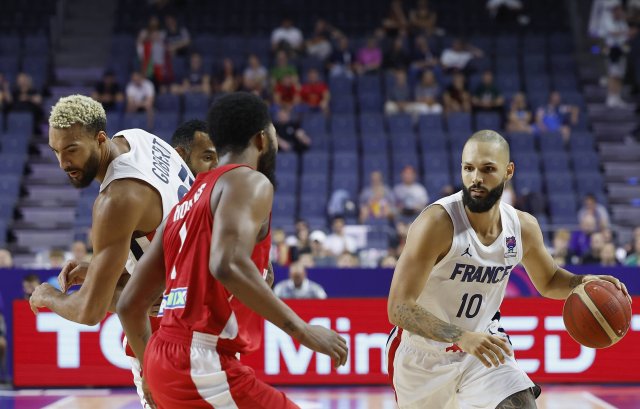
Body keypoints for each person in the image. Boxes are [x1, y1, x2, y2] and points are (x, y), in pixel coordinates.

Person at [117, 92, 347, 408]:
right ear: (262, 139)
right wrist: (303, 331)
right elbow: (226, 265)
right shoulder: (250, 181)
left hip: (162, 359)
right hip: (200, 359)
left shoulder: (186, 201)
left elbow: (129, 303)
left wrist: (149, 371)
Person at [386, 130, 630, 409]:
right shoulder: (437, 223)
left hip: (484, 349)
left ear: (508, 171)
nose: (476, 178)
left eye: (488, 169)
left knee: (520, 403)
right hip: (422, 356)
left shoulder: (522, 227)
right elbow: (399, 308)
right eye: (469, 168)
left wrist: (583, 282)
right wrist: (461, 337)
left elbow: (549, 280)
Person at [28, 95, 215, 408]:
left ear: (100, 139)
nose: (63, 163)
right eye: (56, 151)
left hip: (174, 332)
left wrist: (47, 296)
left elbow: (90, 311)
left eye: (72, 149)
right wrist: (108, 268)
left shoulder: (116, 198)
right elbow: (165, 230)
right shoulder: (138, 138)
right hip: (207, 308)